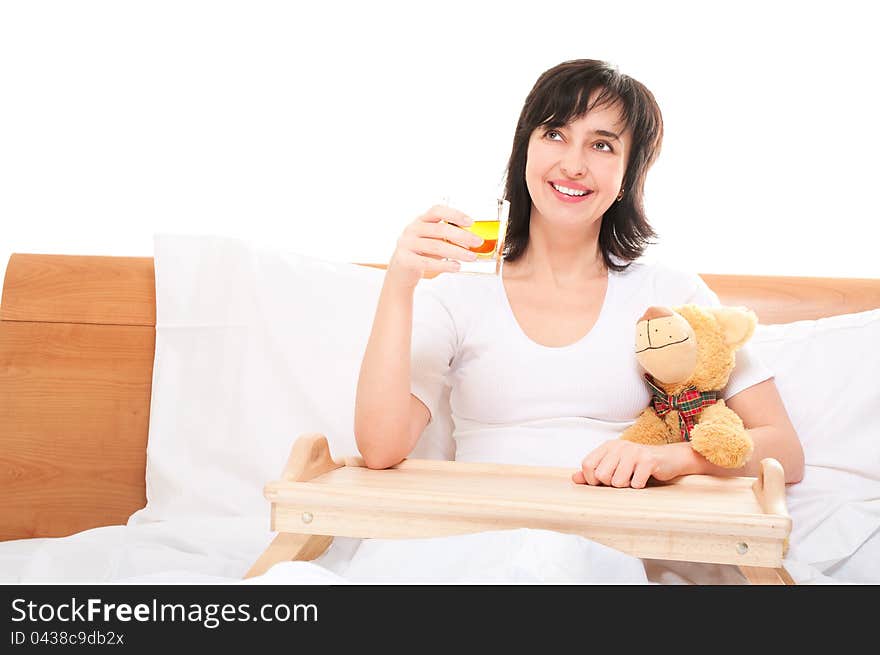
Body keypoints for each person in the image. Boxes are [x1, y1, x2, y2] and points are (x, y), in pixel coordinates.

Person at [354, 58, 804, 489]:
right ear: (524, 150)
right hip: (480, 535)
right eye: (554, 133)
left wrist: (669, 459)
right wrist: (399, 283)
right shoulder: (458, 292)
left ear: (628, 176)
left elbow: (784, 450)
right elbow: (380, 449)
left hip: (605, 539)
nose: (573, 165)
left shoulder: (668, 292)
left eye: (602, 145)